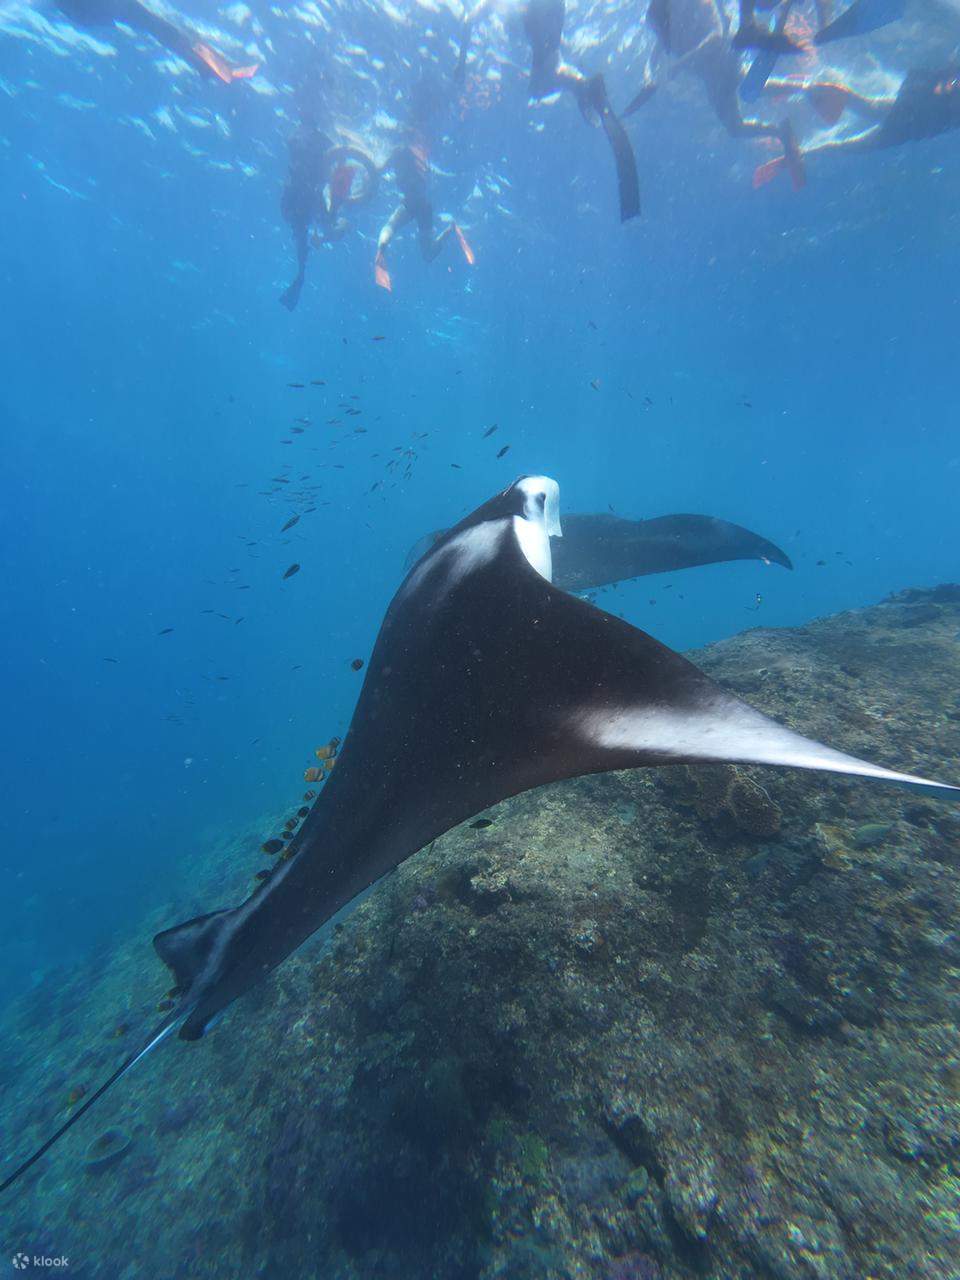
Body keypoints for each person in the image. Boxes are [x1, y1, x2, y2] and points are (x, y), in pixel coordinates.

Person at [461, 0, 641, 220]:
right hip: (555, 9)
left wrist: (460, 63)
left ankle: (584, 87)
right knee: (542, 80)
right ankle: (584, 86)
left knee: (539, 83)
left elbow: (469, 19)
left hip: (540, 11)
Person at [754, 64, 960, 183]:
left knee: (859, 122)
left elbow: (946, 78)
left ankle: (807, 88)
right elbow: (947, 77)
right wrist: (945, 85)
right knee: (858, 127)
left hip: (912, 122)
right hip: (913, 118)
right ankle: (807, 87)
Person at [279, 117, 379, 311]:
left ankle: (301, 275)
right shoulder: (321, 146)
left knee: (307, 230)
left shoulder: (301, 141)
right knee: (325, 227)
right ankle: (301, 273)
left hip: (297, 201)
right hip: (303, 200)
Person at [53, 0, 258, 83]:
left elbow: (82, 16)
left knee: (158, 25)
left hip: (97, 10)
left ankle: (207, 64)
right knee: (157, 24)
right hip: (98, 8)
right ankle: (210, 65)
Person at [374, 134, 474, 293]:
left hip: (410, 203)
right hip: (425, 206)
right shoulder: (420, 156)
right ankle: (451, 229)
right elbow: (429, 181)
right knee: (427, 255)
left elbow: (378, 171)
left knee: (390, 226)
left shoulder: (397, 153)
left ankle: (381, 249)